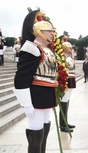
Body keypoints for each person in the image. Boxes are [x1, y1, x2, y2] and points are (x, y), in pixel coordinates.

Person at [13, 10, 58, 152]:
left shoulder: (46, 49)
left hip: (47, 95)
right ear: (39, 32)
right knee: (36, 133)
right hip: (36, 96)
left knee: (44, 130)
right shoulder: (31, 48)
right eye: (49, 31)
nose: (52, 34)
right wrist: (26, 104)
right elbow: (21, 78)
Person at [59, 37, 76, 132]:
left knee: (67, 101)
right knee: (64, 102)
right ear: (65, 48)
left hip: (71, 79)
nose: (71, 49)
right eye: (69, 48)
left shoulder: (69, 56)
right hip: (66, 80)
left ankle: (65, 122)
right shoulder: (63, 57)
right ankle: (62, 125)